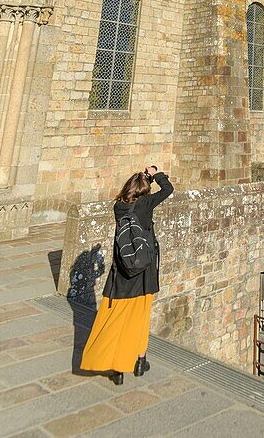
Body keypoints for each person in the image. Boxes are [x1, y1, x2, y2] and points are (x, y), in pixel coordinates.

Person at [80, 163, 173, 384]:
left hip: (123, 270)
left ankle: (116, 367)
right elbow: (168, 189)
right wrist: (155, 174)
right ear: (144, 192)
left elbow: (136, 194)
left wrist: (143, 178)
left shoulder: (118, 207)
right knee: (140, 319)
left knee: (116, 319)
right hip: (144, 270)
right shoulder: (146, 203)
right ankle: (140, 361)